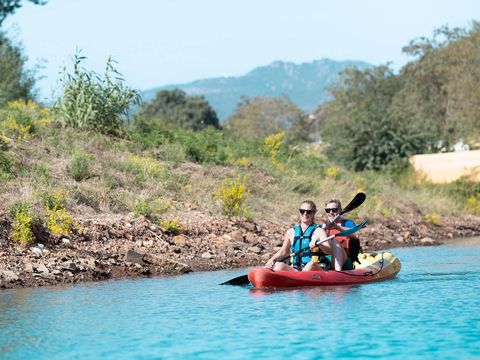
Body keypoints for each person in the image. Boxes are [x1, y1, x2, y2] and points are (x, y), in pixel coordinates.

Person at [265, 200, 346, 271]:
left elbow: (329, 250)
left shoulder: (319, 231)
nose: (305, 214)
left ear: (314, 213)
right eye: (302, 211)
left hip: (315, 268)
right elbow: (283, 251)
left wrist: (319, 244)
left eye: (309, 211)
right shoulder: (291, 232)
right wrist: (271, 260)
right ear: (299, 212)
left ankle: (299, 281)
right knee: (278, 265)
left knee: (310, 265)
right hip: (297, 269)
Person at [322, 198, 361, 269]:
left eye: (334, 210)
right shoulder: (324, 226)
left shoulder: (347, 223)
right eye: (328, 210)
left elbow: (356, 235)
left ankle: (337, 272)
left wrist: (337, 227)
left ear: (340, 210)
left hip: (345, 260)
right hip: (327, 259)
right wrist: (323, 229)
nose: (331, 212)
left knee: (334, 242)